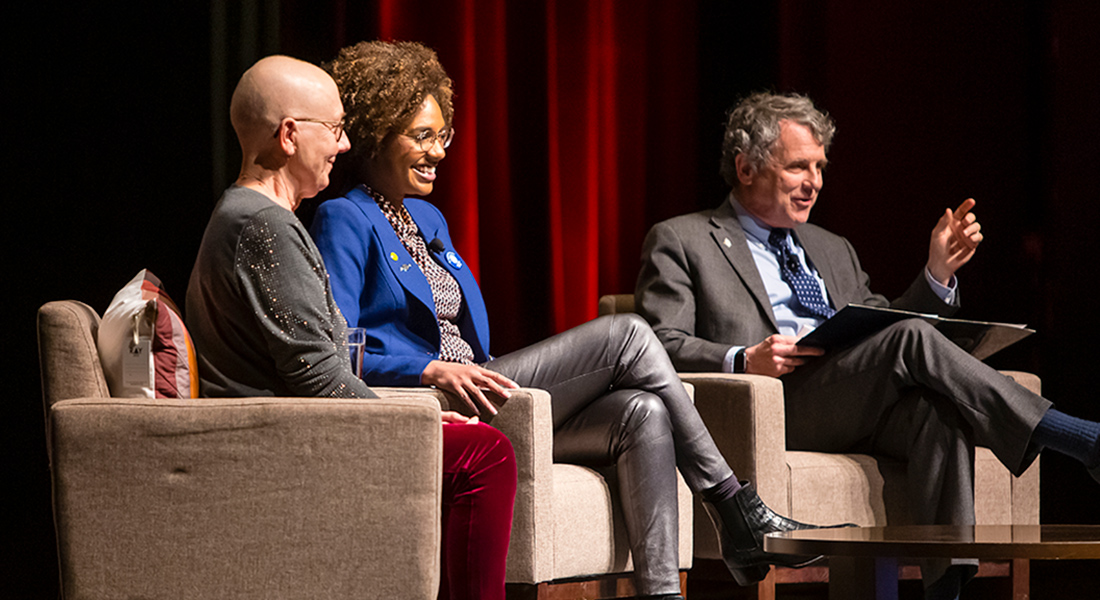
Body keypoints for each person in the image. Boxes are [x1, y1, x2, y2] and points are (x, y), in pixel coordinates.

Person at [307, 41, 838, 597]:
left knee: (644, 410)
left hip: (485, 387)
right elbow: (344, 351)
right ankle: (733, 503)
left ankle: (662, 592)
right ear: (373, 134)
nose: (438, 152)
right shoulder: (343, 218)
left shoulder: (428, 216)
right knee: (627, 334)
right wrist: (429, 370)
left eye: (443, 136)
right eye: (422, 137)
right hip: (438, 404)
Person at [635, 91, 1100, 599]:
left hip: (852, 398)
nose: (814, 182)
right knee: (911, 344)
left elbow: (885, 325)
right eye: (797, 167)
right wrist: (744, 358)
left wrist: (936, 274)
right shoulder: (682, 240)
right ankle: (1077, 437)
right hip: (775, 405)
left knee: (935, 411)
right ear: (746, 168)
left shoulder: (832, 247)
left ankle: (945, 592)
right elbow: (658, 342)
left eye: (819, 167)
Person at [185, 55, 517, 600]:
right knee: (485, 454)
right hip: (283, 437)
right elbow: (320, 377)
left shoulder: (249, 214)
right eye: (335, 129)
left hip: (292, 422)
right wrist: (404, 420)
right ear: (289, 135)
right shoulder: (264, 225)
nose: (344, 146)